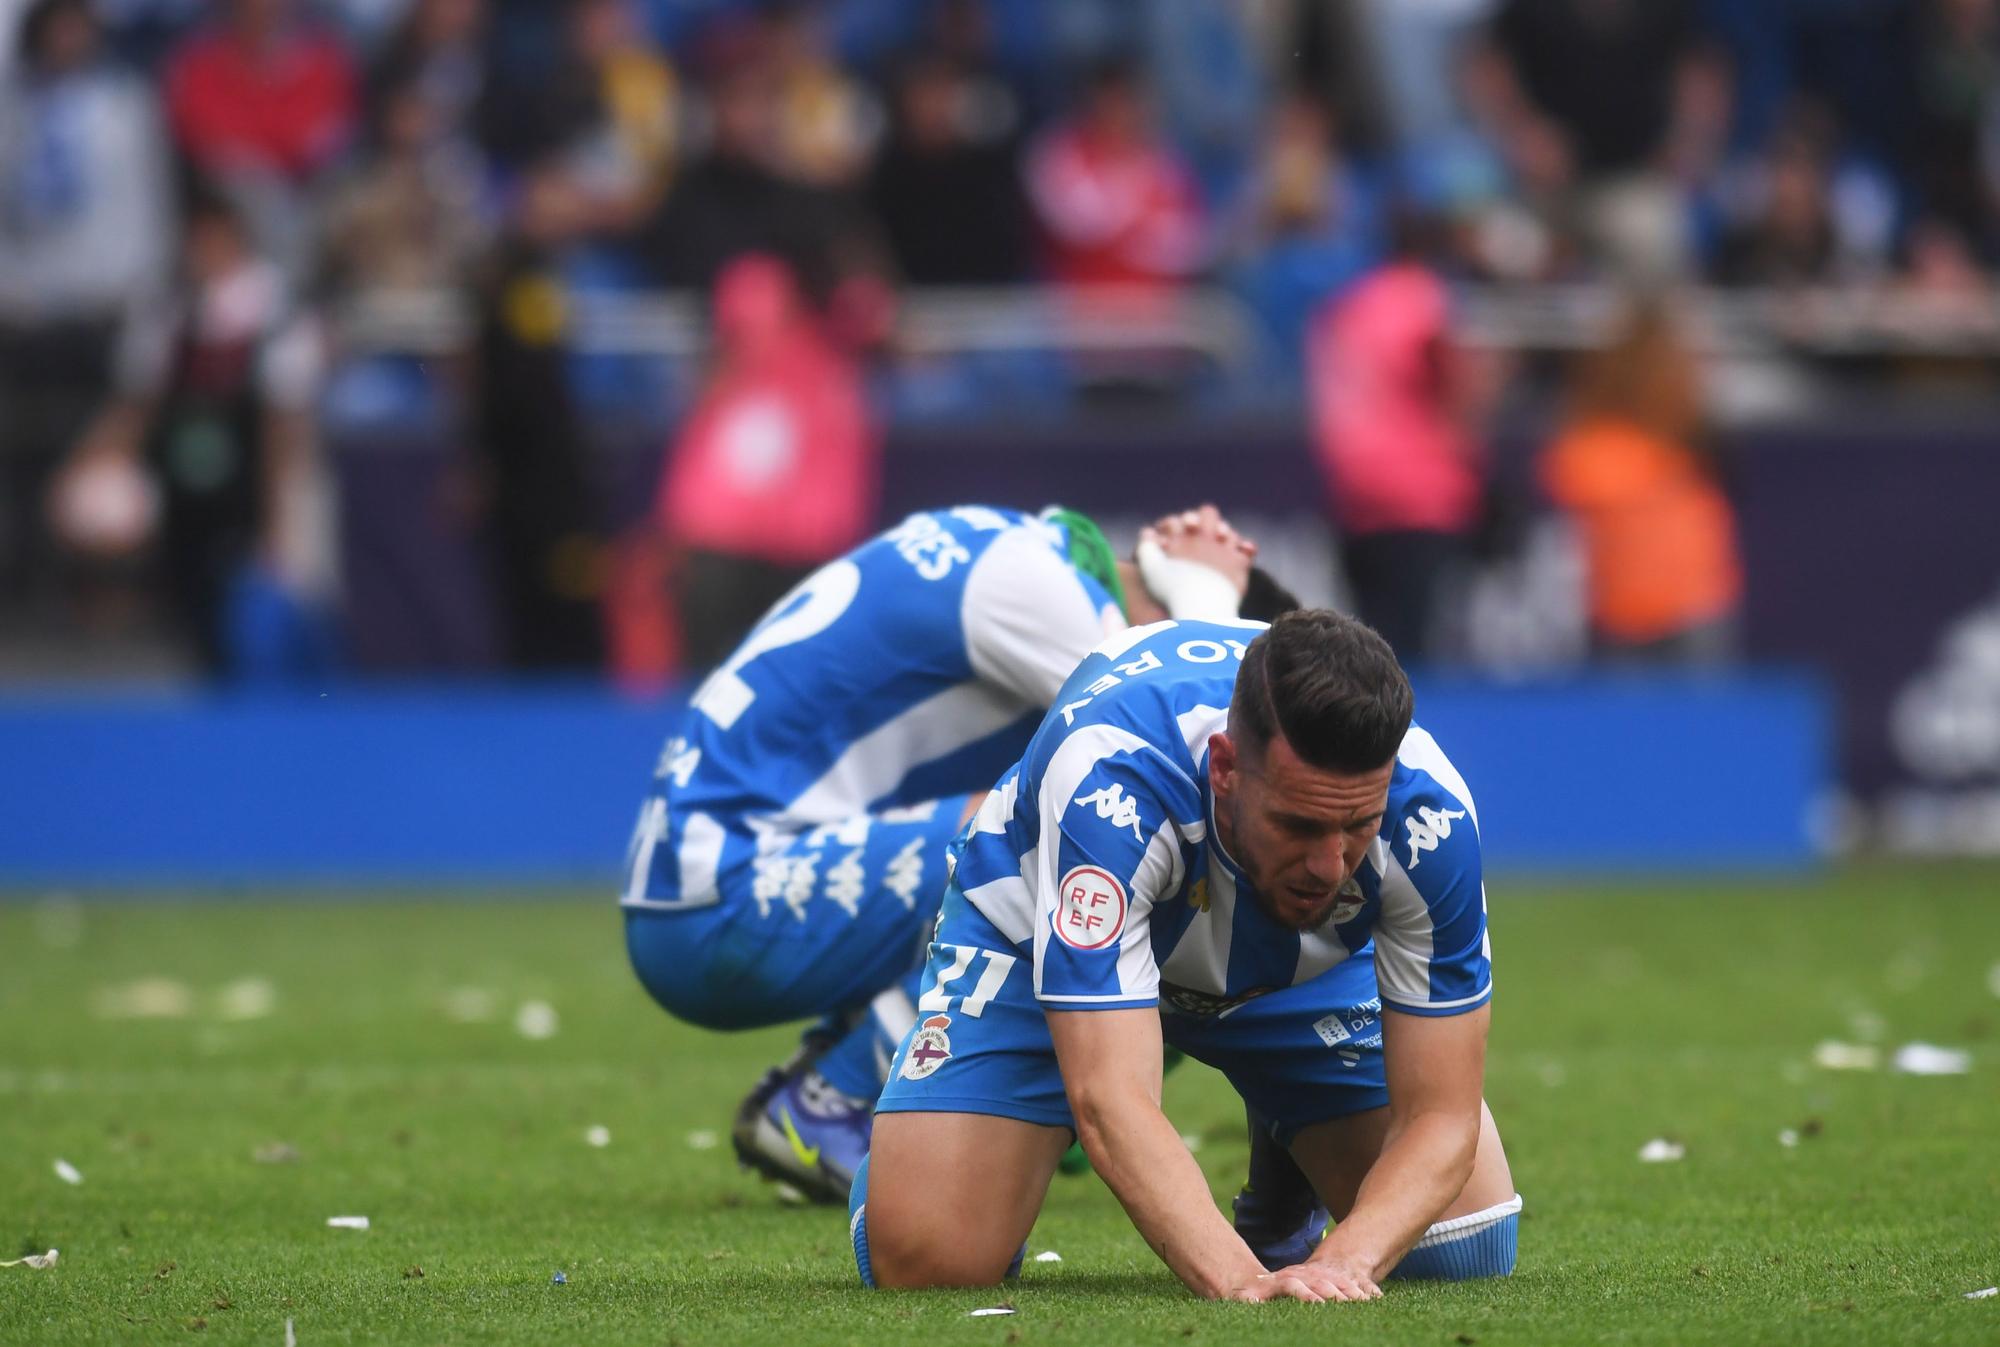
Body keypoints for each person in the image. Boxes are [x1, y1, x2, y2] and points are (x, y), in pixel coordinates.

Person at [622, 503, 1298, 1203]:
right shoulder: (1046, 592)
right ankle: (836, 1099)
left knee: (1067, 825)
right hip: (719, 897)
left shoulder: (1013, 547)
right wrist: (1206, 595)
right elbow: (1189, 726)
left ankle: (845, 1070)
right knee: (1091, 855)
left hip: (707, 878)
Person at [856, 609, 1520, 1298]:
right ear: (1227, 768)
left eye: (1358, 824)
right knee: (929, 1257)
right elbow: (1111, 1095)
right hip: (1042, 935)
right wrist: (1238, 1279)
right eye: (1300, 823)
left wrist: (1342, 1263)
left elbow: (1441, 1118)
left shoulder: (1430, 815)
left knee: (1460, 1241)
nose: (1330, 865)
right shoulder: (1110, 778)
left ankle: (1284, 1151)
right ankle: (946, 1126)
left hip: (1297, 969)